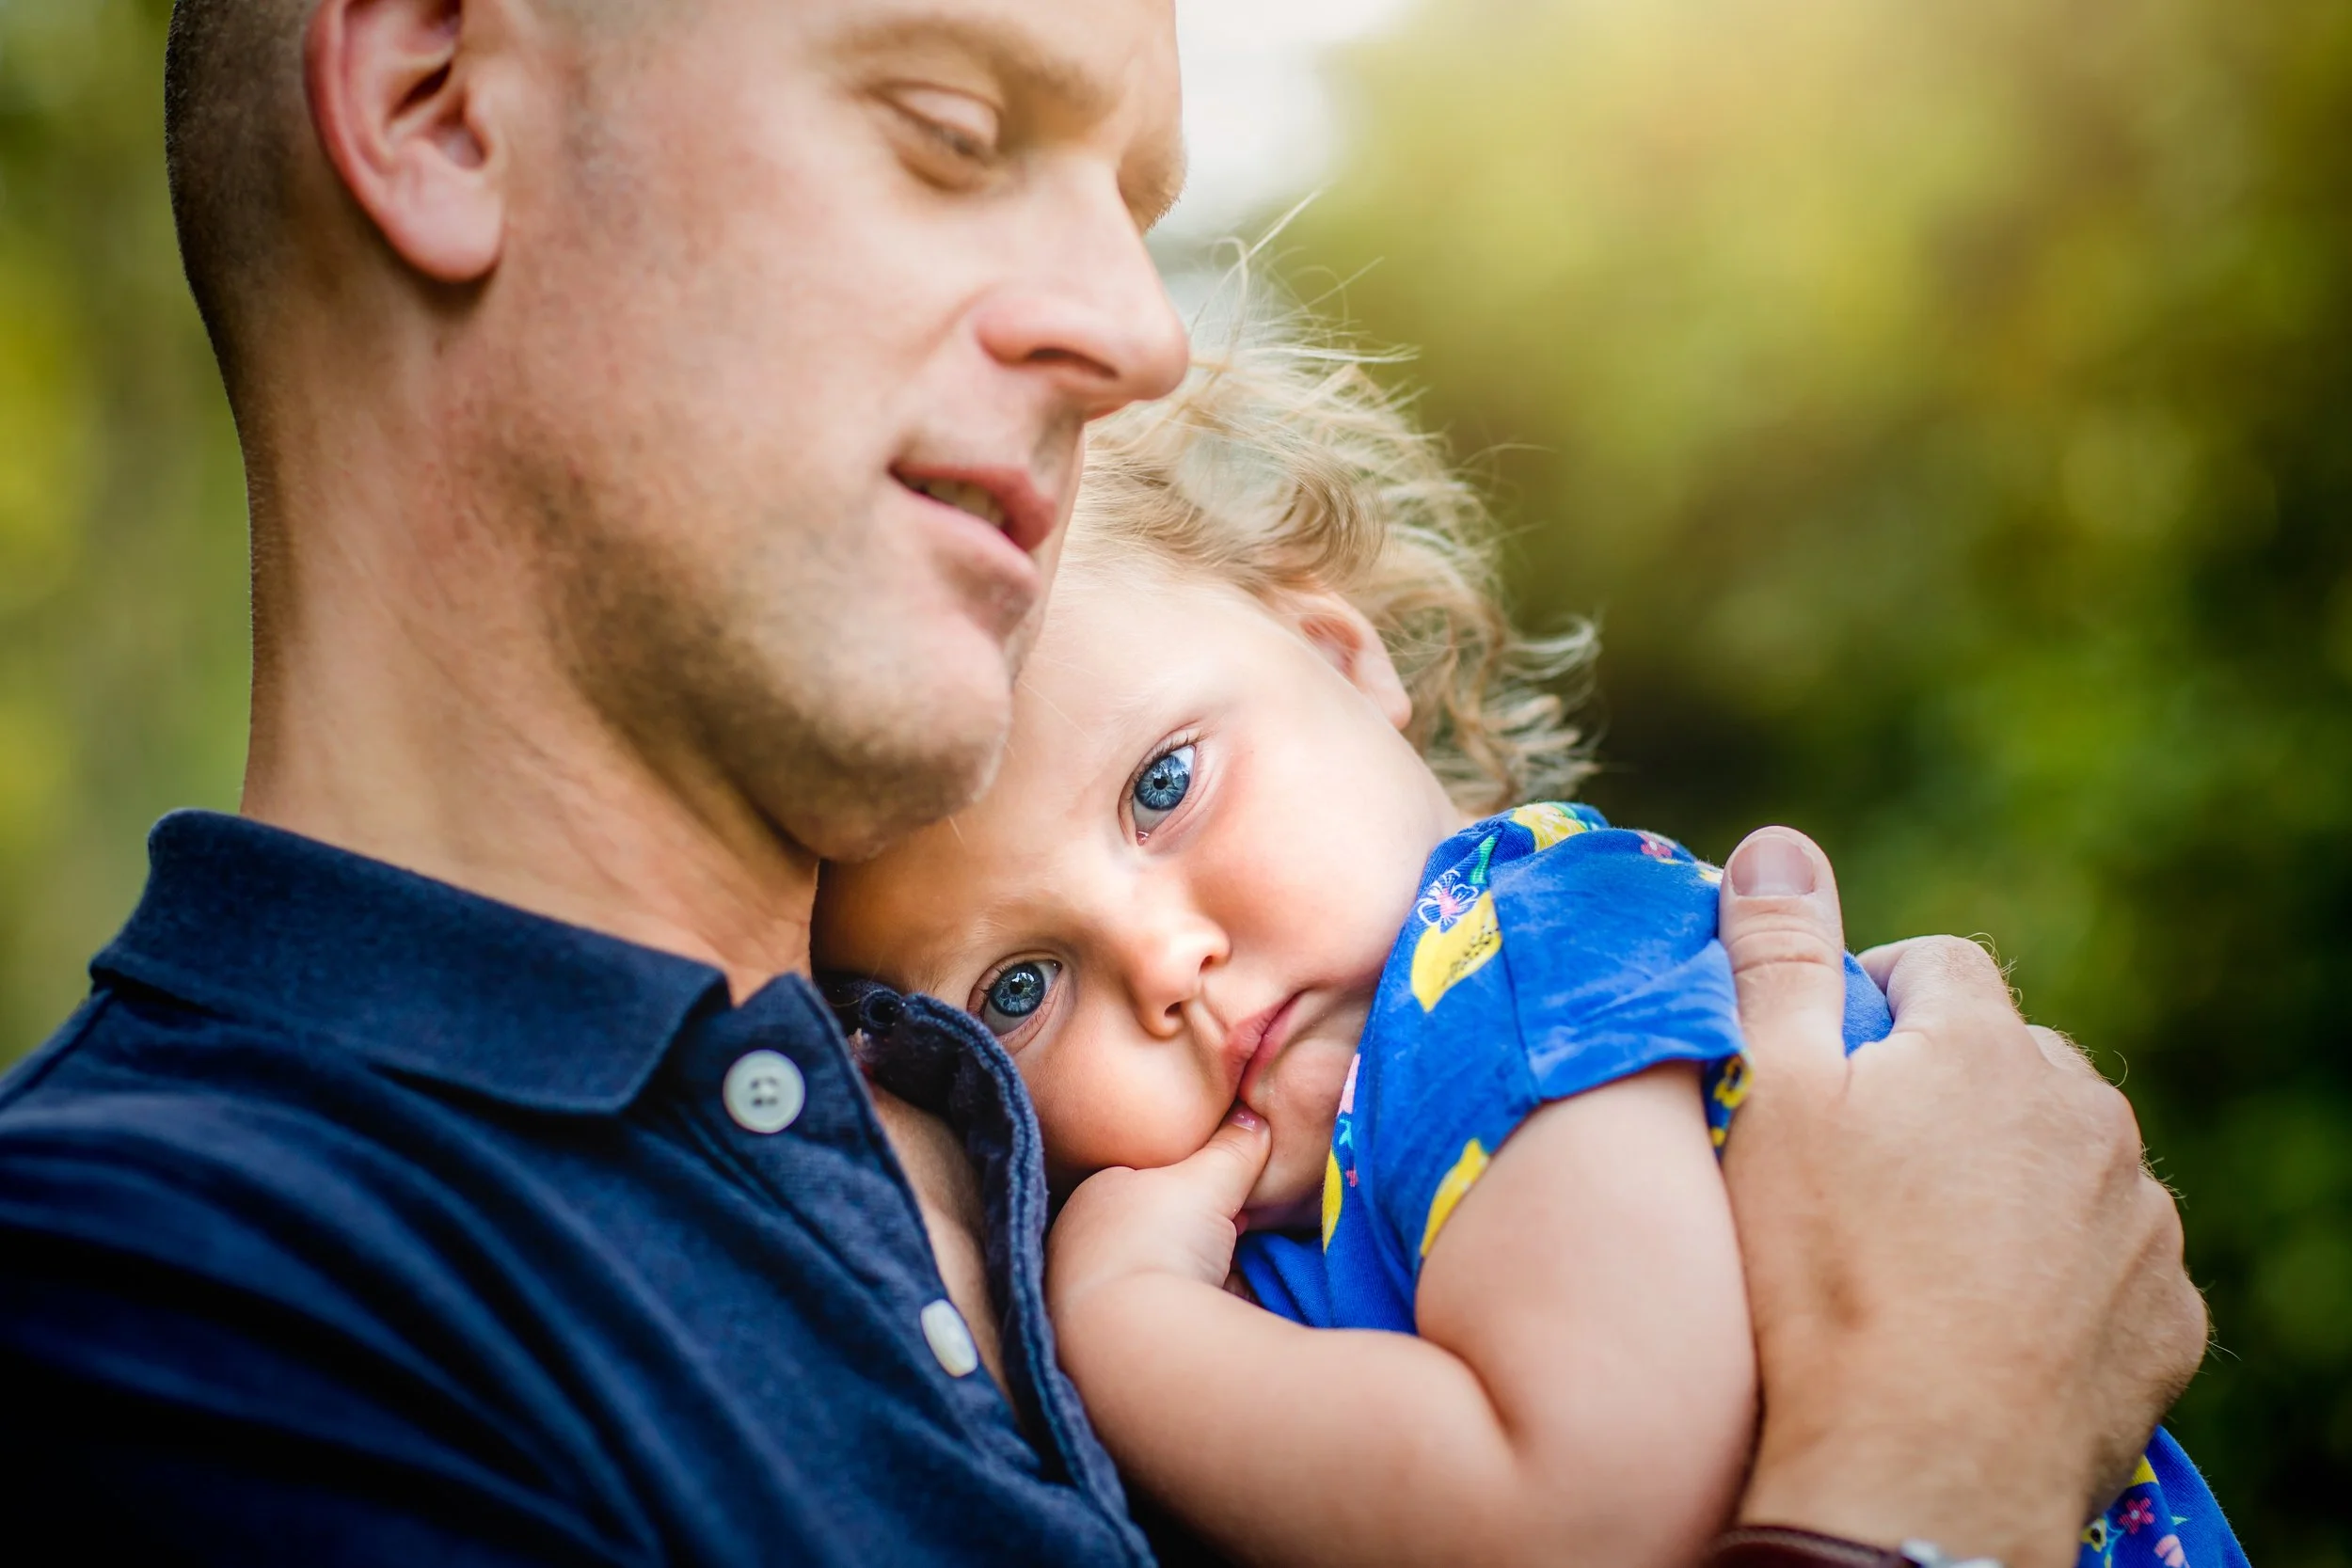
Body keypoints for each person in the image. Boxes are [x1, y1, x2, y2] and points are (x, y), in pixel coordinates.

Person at [0, 0, 2204, 1562]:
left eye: (1130, 195)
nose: (1135, 330)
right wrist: (1925, 1471)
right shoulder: (151, 1297)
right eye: (953, 126)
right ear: (439, 104)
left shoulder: (1150, 1151)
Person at [812, 331, 2239, 1568]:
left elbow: (1586, 1521)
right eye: (1020, 987)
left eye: (1165, 785)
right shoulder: (1321, 1185)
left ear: (1344, 657)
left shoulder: (1500, 963)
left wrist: (1127, 1324)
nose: (1167, 962)